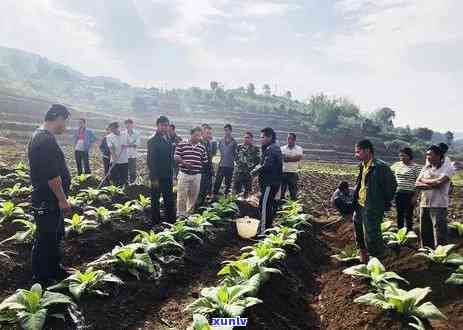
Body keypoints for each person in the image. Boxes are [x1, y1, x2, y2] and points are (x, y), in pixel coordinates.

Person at [28, 104, 71, 285]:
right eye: (65, 122)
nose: (66, 126)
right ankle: (41, 278)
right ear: (58, 118)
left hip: (50, 200)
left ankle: (55, 268)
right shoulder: (45, 140)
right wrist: (62, 199)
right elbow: (52, 177)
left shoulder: (41, 137)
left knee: (54, 236)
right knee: (45, 239)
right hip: (48, 200)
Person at [353, 139, 396, 262]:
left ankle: (378, 259)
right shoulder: (363, 165)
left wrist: (381, 202)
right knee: (359, 231)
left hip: (372, 205)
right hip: (359, 204)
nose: (356, 155)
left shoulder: (381, 167)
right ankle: (364, 258)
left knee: (372, 234)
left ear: (367, 151)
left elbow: (391, 187)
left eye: (358, 152)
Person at [416, 145, 455, 248]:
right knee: (425, 231)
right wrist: (432, 184)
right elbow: (417, 184)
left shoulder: (447, 168)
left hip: (439, 204)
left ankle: (440, 255)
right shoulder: (425, 168)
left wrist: (425, 182)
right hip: (424, 203)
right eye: (427, 154)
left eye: (430, 155)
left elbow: (439, 183)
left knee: (439, 232)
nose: (427, 157)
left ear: (438, 156)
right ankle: (427, 253)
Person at [251, 127, 283, 235]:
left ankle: (263, 232)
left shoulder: (272, 149)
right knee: (268, 205)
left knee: (264, 206)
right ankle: (267, 229)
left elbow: (267, 165)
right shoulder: (272, 147)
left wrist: (254, 172)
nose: (261, 139)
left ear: (270, 137)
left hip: (269, 183)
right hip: (272, 182)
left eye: (263, 137)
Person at [147, 116, 176, 224]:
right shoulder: (152, 141)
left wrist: (173, 174)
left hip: (168, 175)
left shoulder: (168, 139)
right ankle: (155, 221)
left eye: (166, 125)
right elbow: (151, 161)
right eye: (162, 125)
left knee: (169, 198)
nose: (164, 128)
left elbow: (170, 159)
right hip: (157, 176)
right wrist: (154, 178)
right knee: (155, 200)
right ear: (158, 126)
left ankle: (170, 221)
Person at [175, 127, 208, 217]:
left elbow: (205, 161)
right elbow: (176, 157)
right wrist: (185, 163)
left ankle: (189, 214)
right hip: (184, 173)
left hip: (196, 175)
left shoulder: (202, 147)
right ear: (191, 134)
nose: (197, 138)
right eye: (196, 135)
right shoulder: (182, 144)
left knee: (193, 196)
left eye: (199, 136)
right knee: (182, 195)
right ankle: (181, 214)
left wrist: (198, 166)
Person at [390, 147, 421, 231]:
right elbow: (389, 174)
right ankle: (400, 231)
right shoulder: (397, 165)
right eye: (400, 156)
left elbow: (419, 183)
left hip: (410, 194)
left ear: (409, 156)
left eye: (404, 156)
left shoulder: (416, 167)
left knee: (408, 214)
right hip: (398, 193)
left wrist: (415, 196)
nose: (402, 158)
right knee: (399, 213)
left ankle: (409, 232)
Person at [233, 131, 260, 199]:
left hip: (248, 174)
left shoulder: (255, 149)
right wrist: (239, 164)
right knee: (236, 191)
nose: (246, 139)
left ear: (251, 139)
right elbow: (235, 157)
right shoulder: (239, 147)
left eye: (248, 138)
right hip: (239, 172)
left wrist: (251, 168)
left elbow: (257, 160)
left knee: (247, 191)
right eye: (245, 137)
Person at [213, 124, 238, 197]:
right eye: (225, 130)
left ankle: (226, 196)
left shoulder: (234, 142)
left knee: (228, 182)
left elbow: (236, 154)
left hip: (230, 166)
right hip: (221, 164)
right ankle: (214, 195)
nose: (226, 132)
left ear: (231, 131)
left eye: (228, 130)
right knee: (218, 181)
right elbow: (218, 152)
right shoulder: (221, 141)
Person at [197, 124, 218, 207]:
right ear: (202, 133)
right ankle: (196, 208)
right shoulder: (199, 143)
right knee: (200, 190)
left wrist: (211, 170)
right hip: (200, 171)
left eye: (210, 133)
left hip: (208, 170)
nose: (209, 135)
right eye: (207, 133)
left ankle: (201, 206)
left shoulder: (210, 144)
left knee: (205, 190)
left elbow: (211, 157)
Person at [280, 133, 304, 200]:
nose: (289, 140)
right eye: (288, 138)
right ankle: (280, 207)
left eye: (291, 139)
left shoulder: (299, 148)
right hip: (283, 172)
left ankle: (292, 207)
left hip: (293, 173)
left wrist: (288, 158)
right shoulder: (282, 148)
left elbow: (298, 158)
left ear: (294, 140)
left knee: (293, 192)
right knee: (281, 192)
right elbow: (284, 159)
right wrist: (293, 158)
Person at [106, 122, 129, 186]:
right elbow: (111, 148)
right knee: (114, 178)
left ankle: (123, 191)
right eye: (111, 129)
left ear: (117, 128)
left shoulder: (125, 134)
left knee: (124, 178)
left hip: (124, 160)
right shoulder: (109, 137)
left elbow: (130, 143)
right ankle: (115, 190)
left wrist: (126, 145)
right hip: (114, 161)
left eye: (113, 129)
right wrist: (114, 157)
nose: (112, 131)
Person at [125, 119, 141, 184]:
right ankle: (126, 185)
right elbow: (122, 144)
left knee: (132, 172)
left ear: (132, 125)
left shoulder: (137, 133)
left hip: (133, 155)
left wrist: (128, 144)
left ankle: (133, 185)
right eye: (127, 125)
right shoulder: (123, 134)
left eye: (129, 125)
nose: (128, 127)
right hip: (125, 155)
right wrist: (132, 143)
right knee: (125, 171)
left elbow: (137, 144)